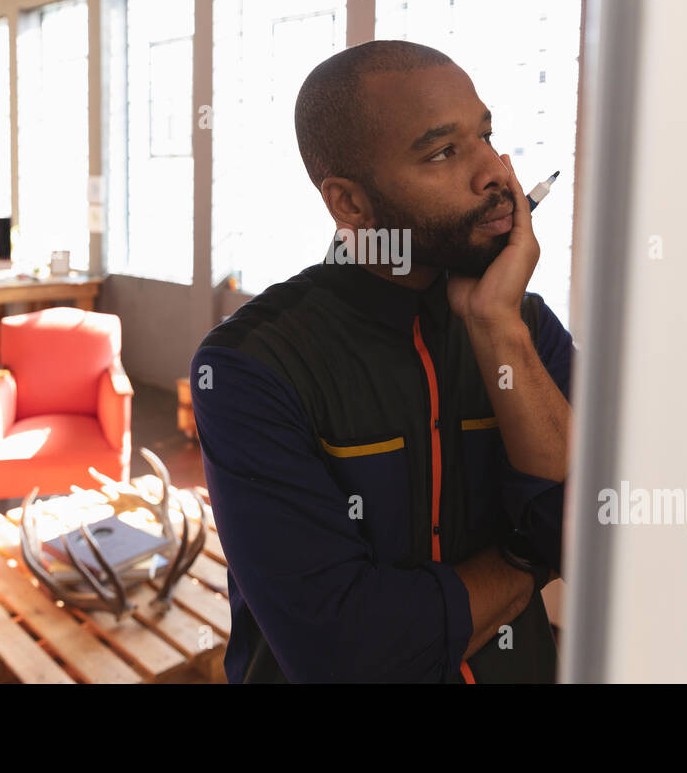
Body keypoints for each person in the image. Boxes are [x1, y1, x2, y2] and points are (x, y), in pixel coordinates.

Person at [190, 40, 573, 683]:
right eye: (444, 152)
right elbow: (347, 656)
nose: (496, 174)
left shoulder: (524, 326)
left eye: (487, 134)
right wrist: (528, 561)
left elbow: (597, 530)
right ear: (349, 203)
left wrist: (496, 329)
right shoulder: (249, 367)